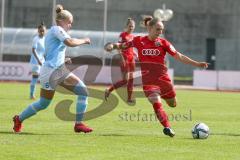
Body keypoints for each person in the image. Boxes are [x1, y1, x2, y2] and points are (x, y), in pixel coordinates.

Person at [104, 17, 209, 137]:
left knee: (173, 104)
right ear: (149, 28)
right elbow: (123, 45)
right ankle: (167, 127)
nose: (160, 32)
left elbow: (178, 56)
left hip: (164, 80)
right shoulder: (138, 40)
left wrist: (197, 64)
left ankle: (165, 103)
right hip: (149, 82)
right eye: (158, 29)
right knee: (155, 101)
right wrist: (112, 46)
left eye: (162, 30)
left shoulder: (163, 43)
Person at [13, 4, 93, 133]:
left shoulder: (53, 32)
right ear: (62, 21)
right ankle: (78, 124)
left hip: (50, 70)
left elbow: (50, 53)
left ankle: (19, 118)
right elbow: (70, 42)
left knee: (43, 103)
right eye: (69, 23)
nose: (70, 26)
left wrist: (63, 59)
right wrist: (84, 40)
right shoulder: (57, 29)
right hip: (54, 71)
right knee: (83, 92)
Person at [105, 18, 136, 104]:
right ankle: (109, 90)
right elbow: (118, 46)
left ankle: (129, 98)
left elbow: (131, 47)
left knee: (131, 79)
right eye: (130, 26)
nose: (131, 28)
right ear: (126, 26)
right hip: (125, 58)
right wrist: (122, 58)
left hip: (131, 59)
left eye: (132, 26)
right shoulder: (122, 35)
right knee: (125, 80)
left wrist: (135, 54)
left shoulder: (133, 36)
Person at [29, 22, 46, 99]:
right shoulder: (36, 39)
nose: (42, 32)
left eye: (43, 31)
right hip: (35, 62)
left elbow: (44, 51)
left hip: (42, 61)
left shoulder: (45, 39)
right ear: (38, 31)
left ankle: (44, 95)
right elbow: (33, 50)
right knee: (35, 77)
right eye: (40, 31)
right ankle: (31, 95)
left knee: (45, 77)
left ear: (45, 31)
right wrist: (38, 60)